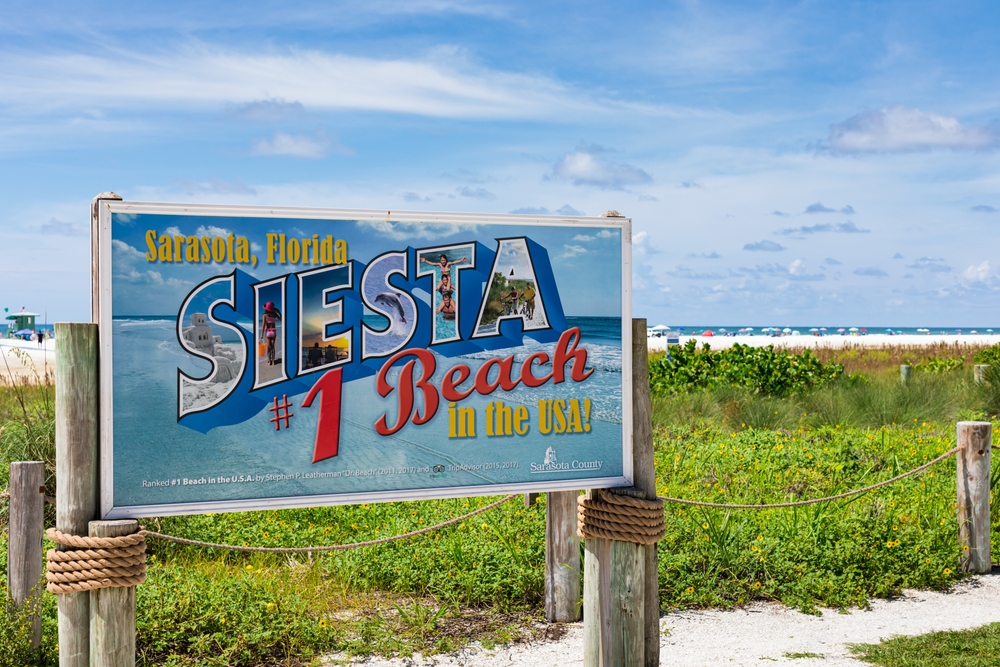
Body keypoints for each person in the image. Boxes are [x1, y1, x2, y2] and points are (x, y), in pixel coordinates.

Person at [259, 301, 282, 366]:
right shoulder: (274, 314)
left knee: (269, 348)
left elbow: (263, 325)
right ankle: (273, 361)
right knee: (273, 347)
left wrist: (261, 334)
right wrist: (279, 312)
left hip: (268, 332)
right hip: (273, 332)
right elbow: (281, 319)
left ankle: (269, 361)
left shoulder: (264, 315)